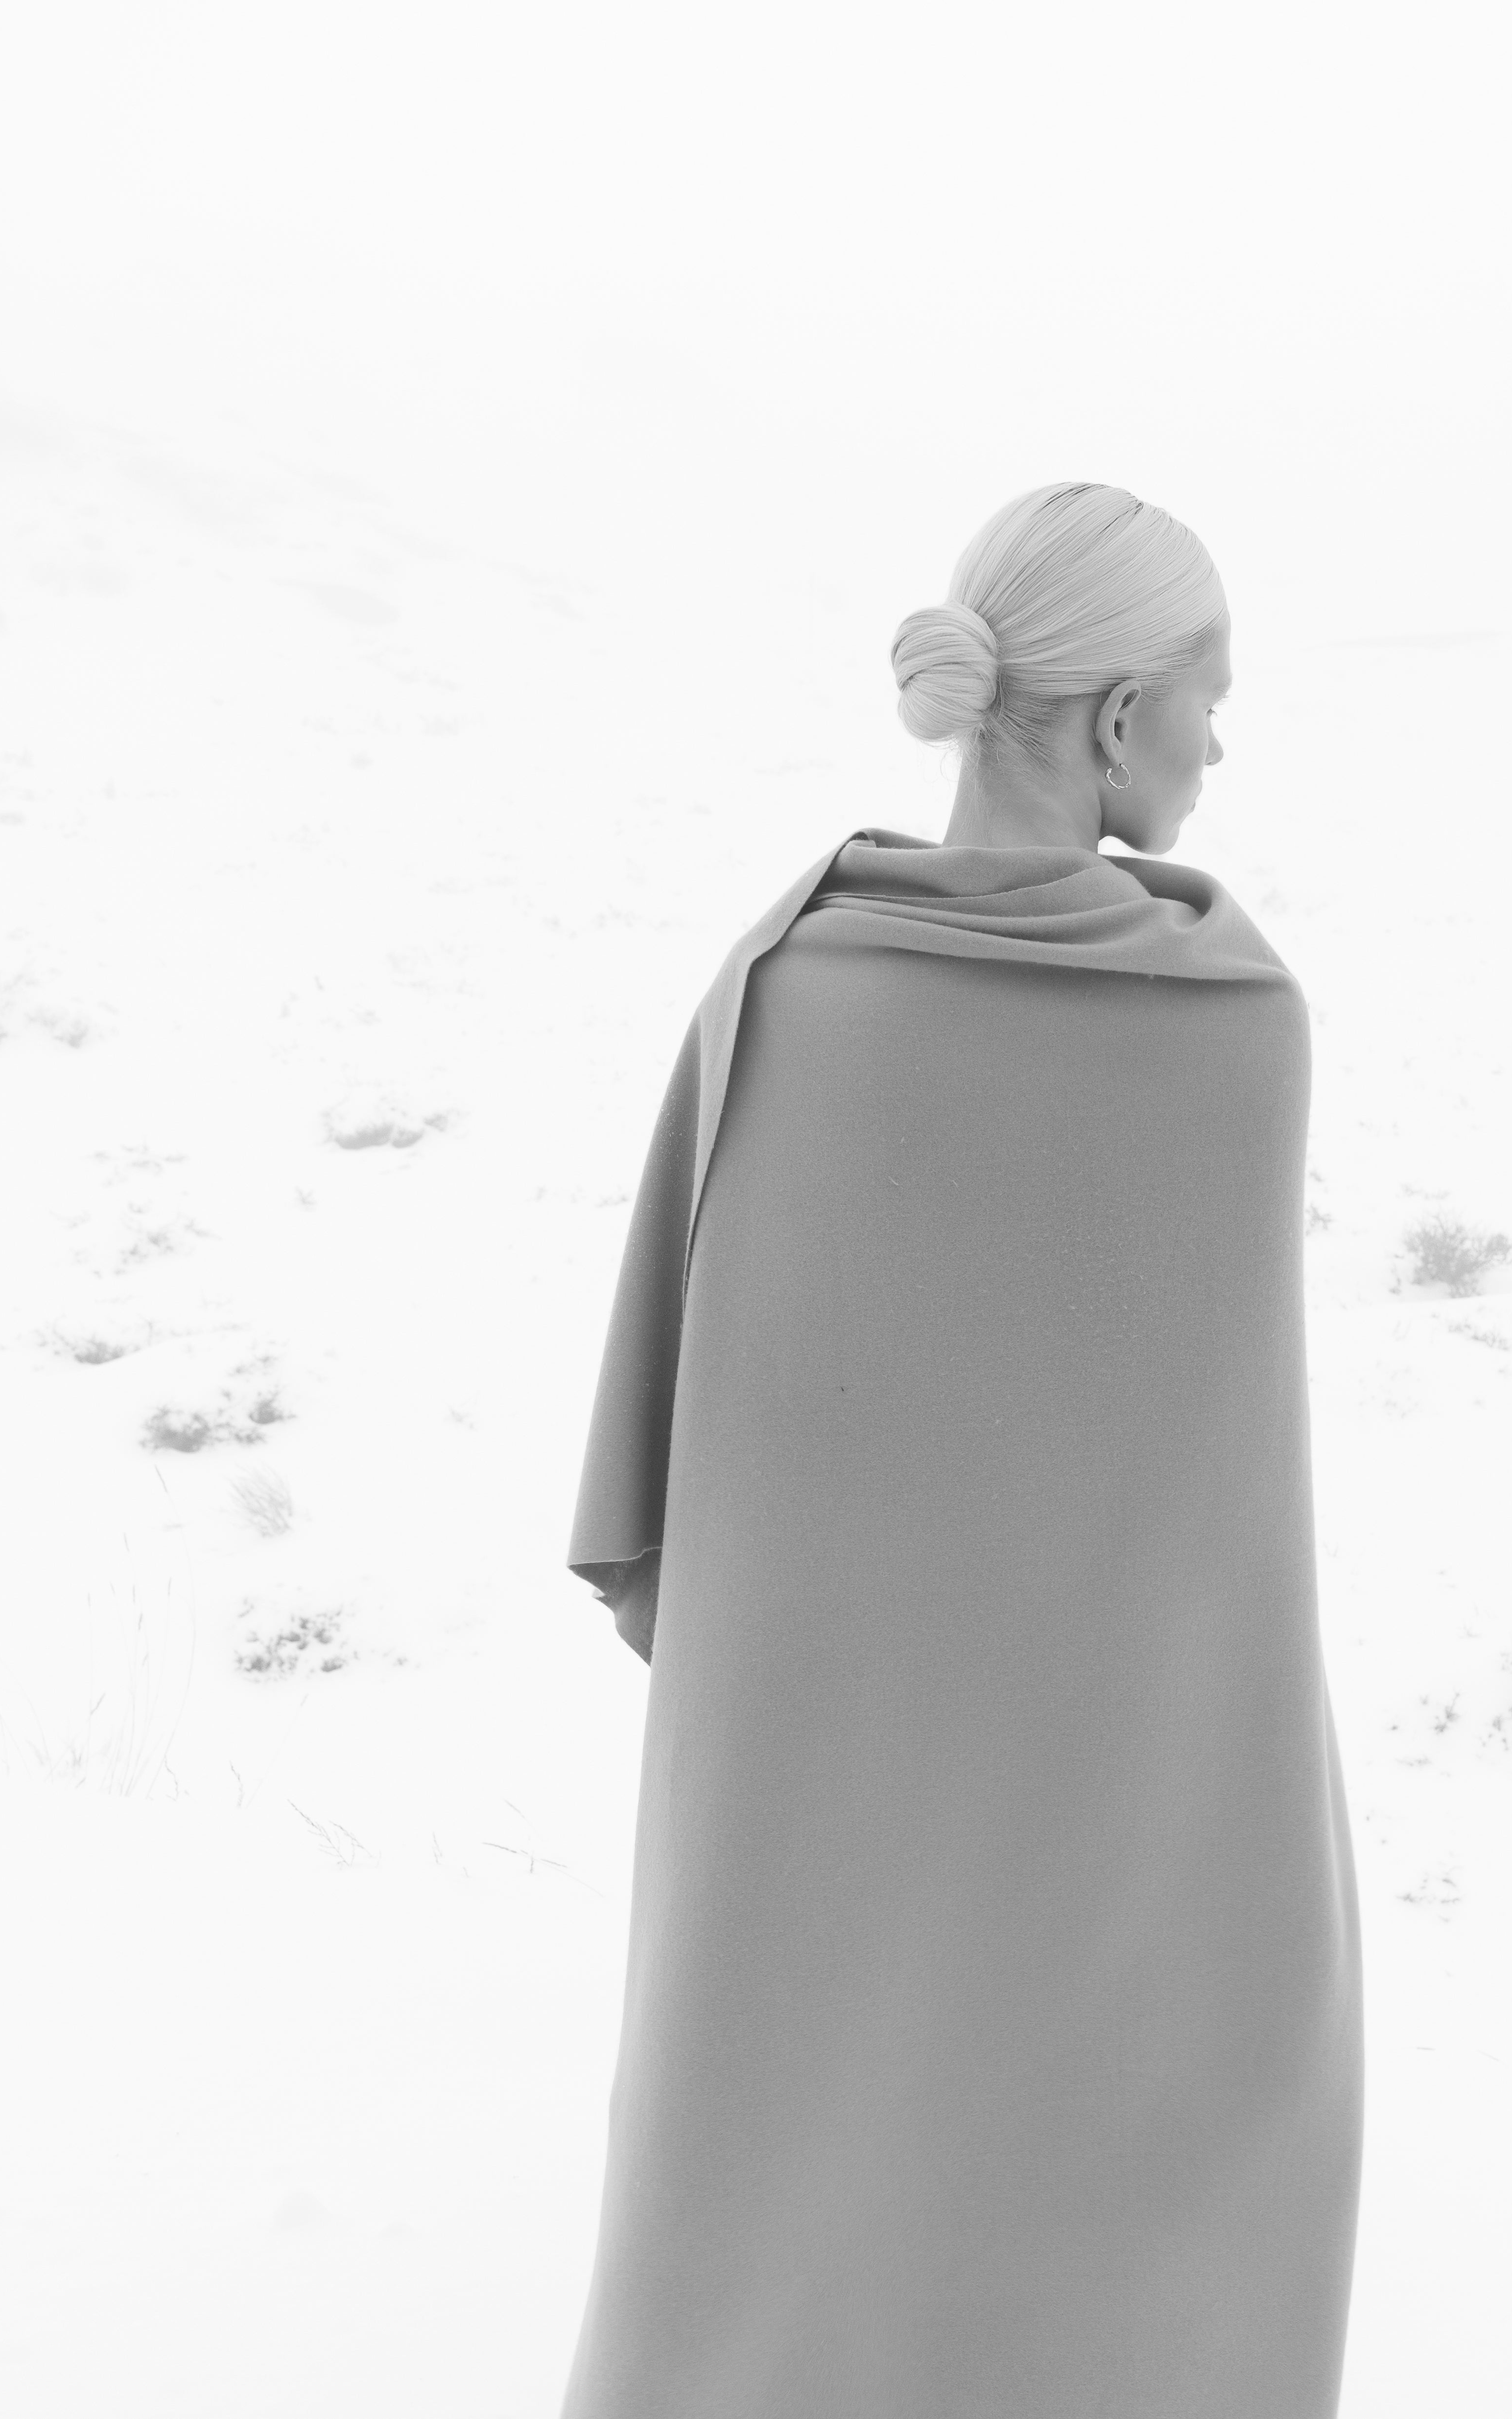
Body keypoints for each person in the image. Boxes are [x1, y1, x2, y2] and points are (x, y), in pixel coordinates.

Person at [558, 481, 1365, 2418]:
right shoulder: (1227, 1019)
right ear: (1120, 717)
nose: (1217, 742)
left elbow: (700, 1436)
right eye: (1210, 696)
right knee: (1166, 2180)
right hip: (1127, 1799)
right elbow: (1203, 1514)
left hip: (812, 1798)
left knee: (797, 2179)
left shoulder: (783, 986)